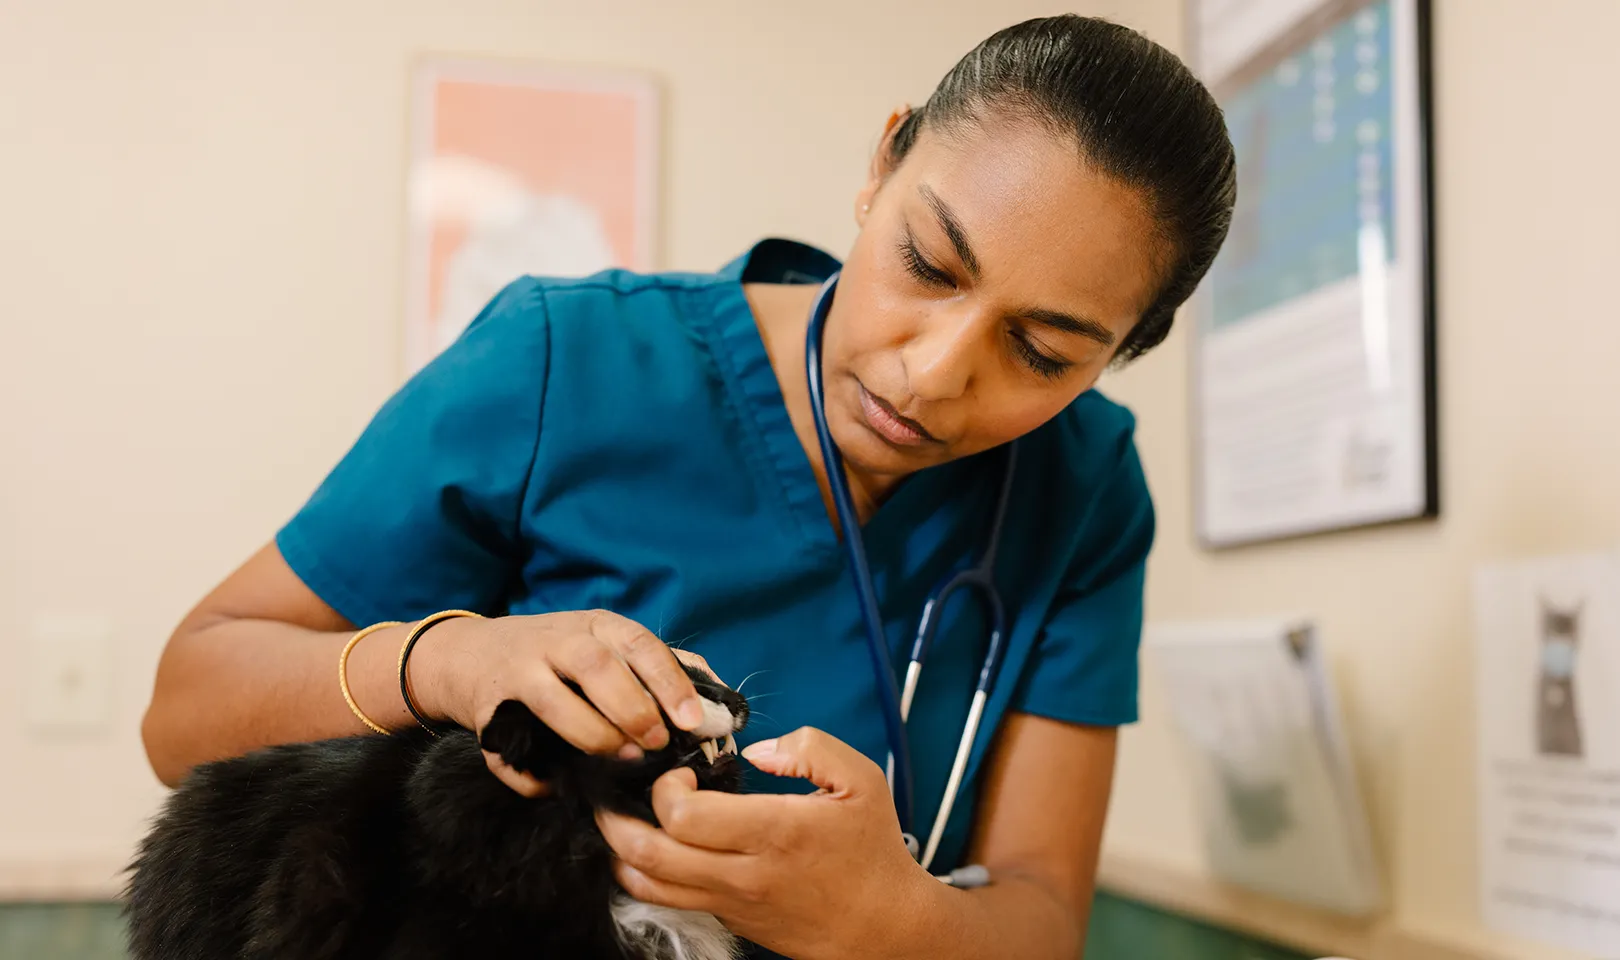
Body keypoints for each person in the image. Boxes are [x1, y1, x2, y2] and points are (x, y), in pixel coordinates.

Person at [141, 14, 1235, 960]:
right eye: (929, 265)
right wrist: (448, 660)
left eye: (1042, 351)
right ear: (882, 164)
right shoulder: (567, 358)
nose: (934, 373)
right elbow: (184, 713)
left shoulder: (1085, 488)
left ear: (1124, 349)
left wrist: (891, 919)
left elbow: (1041, 921)